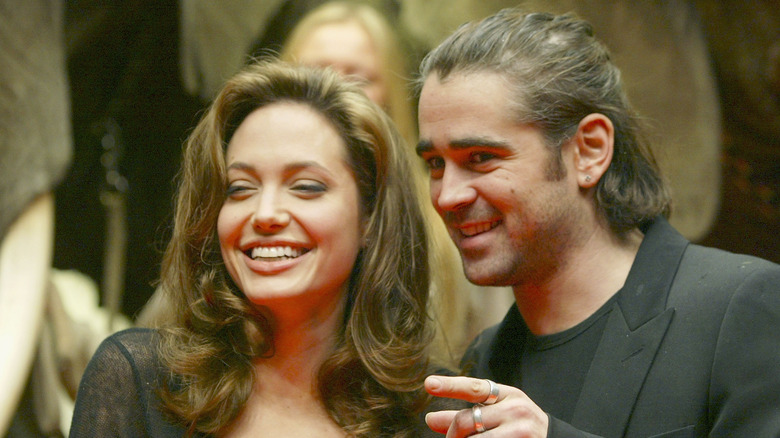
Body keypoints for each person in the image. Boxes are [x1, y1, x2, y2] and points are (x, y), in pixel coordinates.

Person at [414, 8, 780, 437]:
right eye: (435, 164)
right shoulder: (487, 360)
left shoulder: (740, 306)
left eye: (481, 158)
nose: (447, 195)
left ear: (588, 151)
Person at [69, 59, 461, 437]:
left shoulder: (436, 414)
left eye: (306, 186)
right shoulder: (140, 382)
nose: (265, 213)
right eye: (239, 188)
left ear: (371, 218)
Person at [279, 1, 515, 359]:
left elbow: (495, 342)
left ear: (389, 92)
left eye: (358, 78)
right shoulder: (242, 206)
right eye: (315, 73)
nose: (335, 92)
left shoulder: (447, 202)